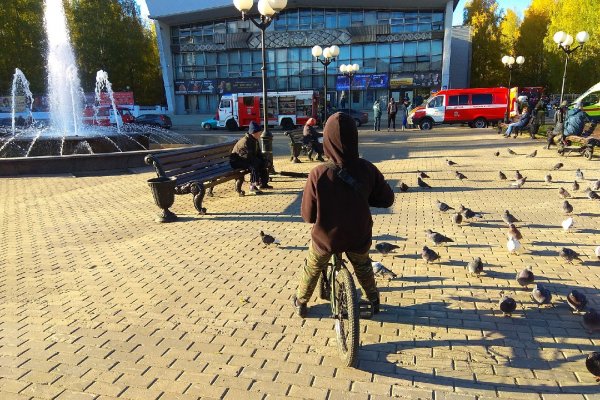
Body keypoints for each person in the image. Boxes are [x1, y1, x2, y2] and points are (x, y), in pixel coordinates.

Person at [292, 112, 395, 318]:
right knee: (363, 266)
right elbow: (387, 200)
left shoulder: (318, 173)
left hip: (326, 238)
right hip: (358, 235)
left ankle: (301, 301)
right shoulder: (367, 169)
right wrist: (366, 198)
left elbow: (308, 216)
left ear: (327, 140)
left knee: (312, 265)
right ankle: (373, 300)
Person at [229, 121, 271, 194]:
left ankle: (263, 183)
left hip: (246, 159)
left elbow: (258, 153)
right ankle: (253, 186)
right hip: (236, 161)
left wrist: (264, 160)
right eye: (259, 132)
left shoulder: (254, 140)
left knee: (262, 162)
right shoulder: (246, 141)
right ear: (253, 133)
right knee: (254, 165)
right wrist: (259, 161)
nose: (260, 134)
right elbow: (248, 156)